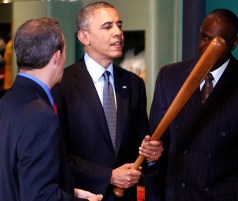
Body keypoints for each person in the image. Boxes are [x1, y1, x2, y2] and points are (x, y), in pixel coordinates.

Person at [145, 8, 238, 201]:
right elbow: (157, 147)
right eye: (205, 37)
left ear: (234, 43)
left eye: (219, 43)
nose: (208, 47)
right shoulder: (169, 77)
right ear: (200, 32)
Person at [52, 2, 163, 201]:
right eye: (107, 26)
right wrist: (109, 176)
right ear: (83, 37)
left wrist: (152, 156)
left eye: (119, 25)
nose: (118, 32)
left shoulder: (134, 84)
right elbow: (57, 155)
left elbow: (141, 146)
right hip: (83, 196)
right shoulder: (62, 85)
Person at [0, 17, 103, 201]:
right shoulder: (41, 116)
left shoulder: (4, 104)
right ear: (57, 56)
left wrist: (71, 192)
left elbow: (22, 182)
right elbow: (41, 196)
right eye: (64, 52)